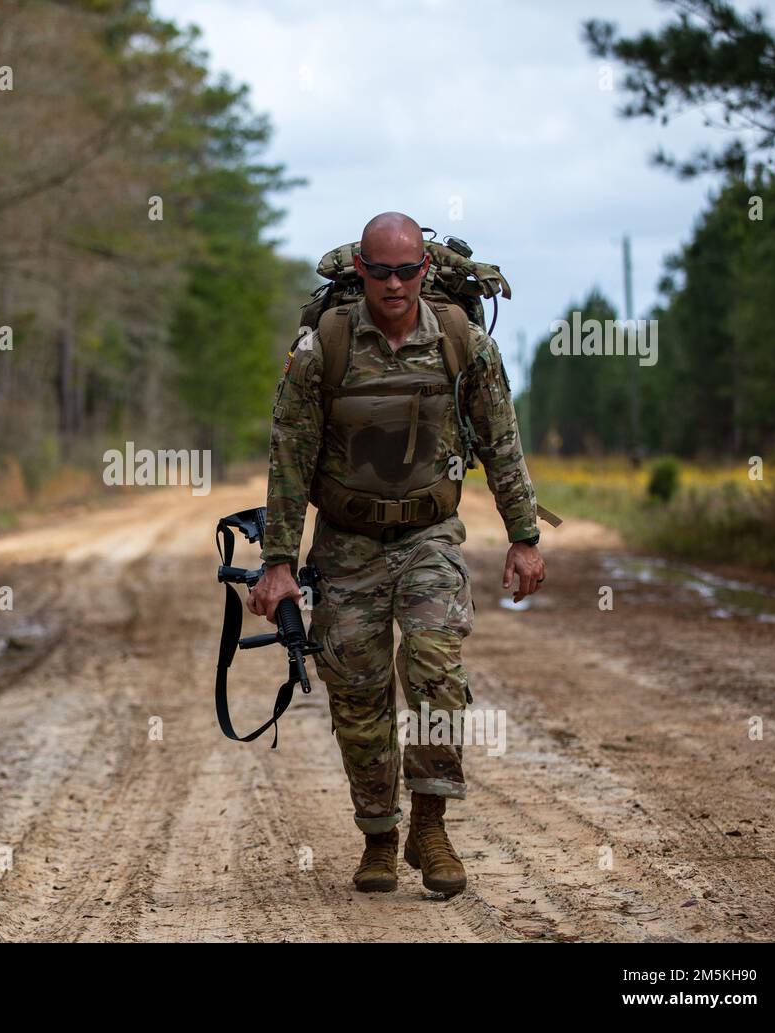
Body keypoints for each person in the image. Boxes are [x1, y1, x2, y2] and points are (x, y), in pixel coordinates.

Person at [247, 212, 546, 895]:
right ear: (360, 270)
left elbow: (501, 436)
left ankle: (431, 823)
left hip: (429, 534)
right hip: (347, 539)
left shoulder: (459, 339)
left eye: (406, 270)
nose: (393, 283)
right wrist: (279, 561)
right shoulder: (323, 345)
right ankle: (379, 835)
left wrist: (523, 536)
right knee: (357, 688)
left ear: (422, 270)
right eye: (379, 270)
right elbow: (290, 454)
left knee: (437, 663)